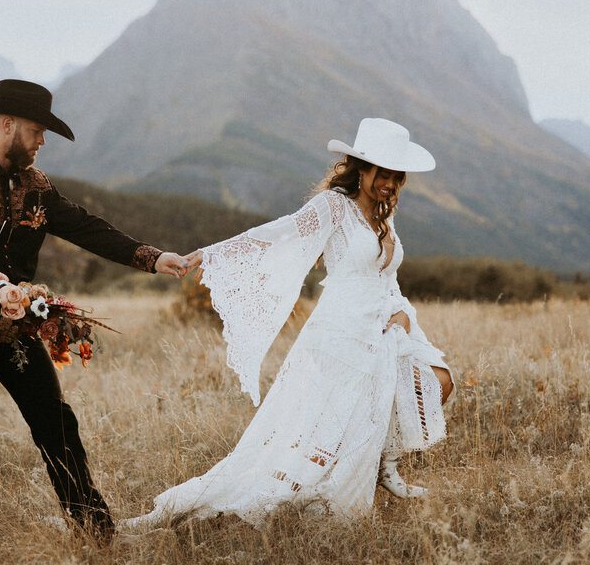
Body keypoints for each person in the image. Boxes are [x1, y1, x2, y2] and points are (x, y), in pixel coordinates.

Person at [124, 117, 454, 529]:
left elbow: (386, 275)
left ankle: (385, 463)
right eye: (382, 173)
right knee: (330, 424)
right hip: (342, 329)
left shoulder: (385, 215)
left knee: (437, 381)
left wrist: (401, 310)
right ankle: (320, 484)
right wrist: (208, 254)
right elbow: (276, 234)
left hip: (387, 322)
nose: (389, 182)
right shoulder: (334, 207)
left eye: (396, 175)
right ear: (361, 168)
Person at [0, 79, 190, 546]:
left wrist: (152, 258)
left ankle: (97, 534)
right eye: (37, 131)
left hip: (18, 332)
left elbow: (87, 228)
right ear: (7, 124)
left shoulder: (37, 187)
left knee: (57, 425)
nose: (41, 142)